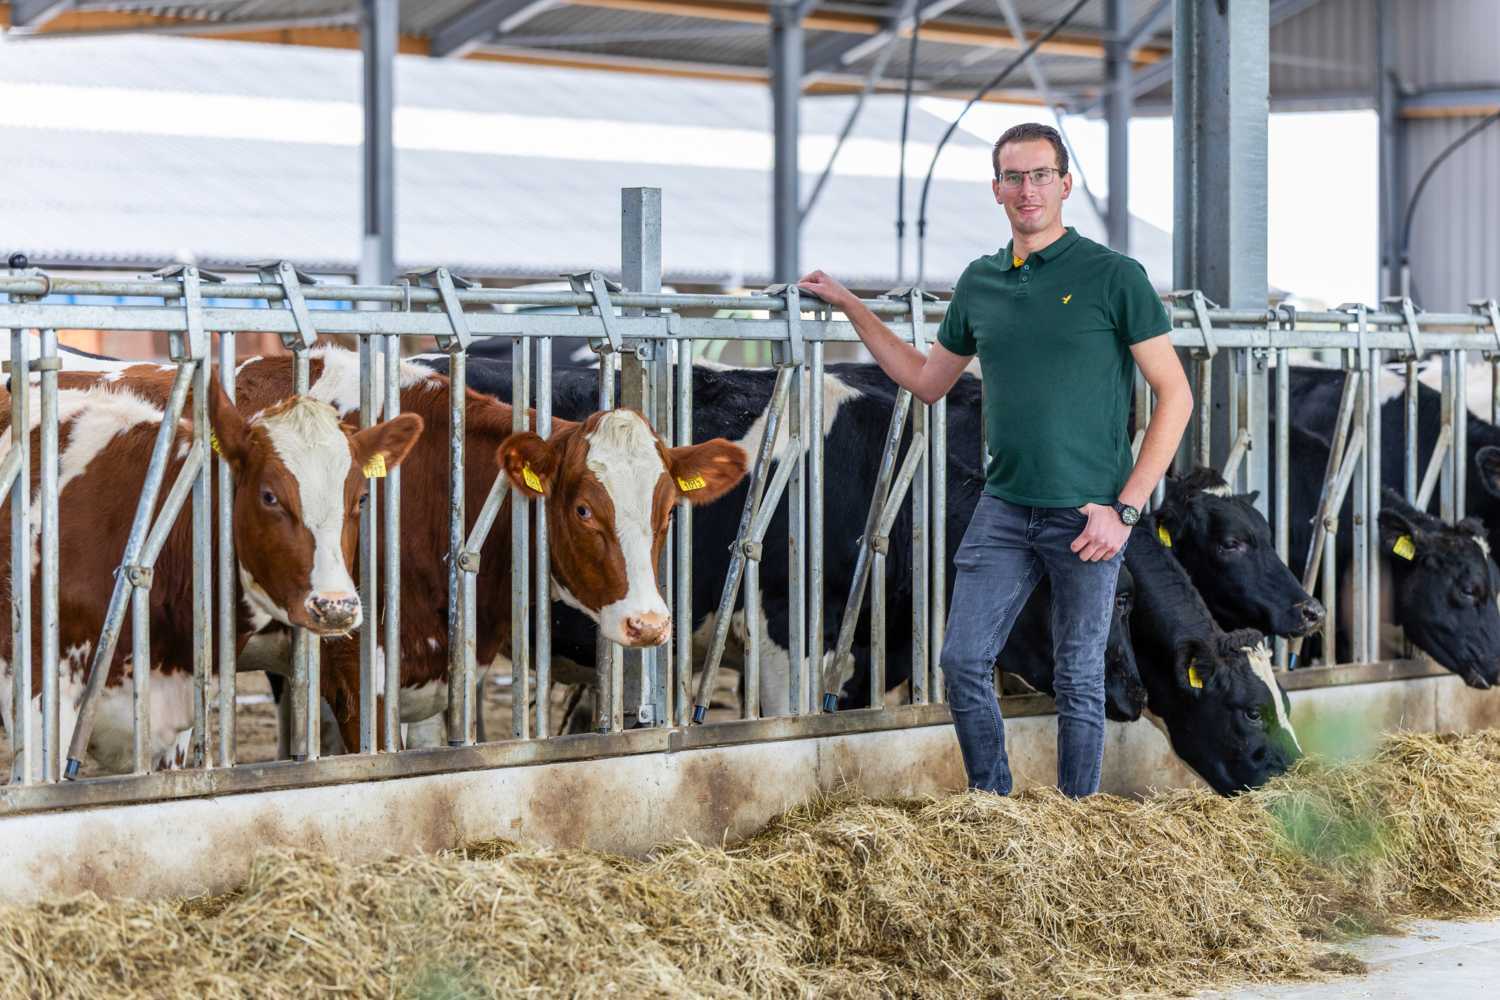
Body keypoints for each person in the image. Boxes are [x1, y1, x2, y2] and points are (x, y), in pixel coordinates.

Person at [799, 122, 1192, 797]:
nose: (1027, 189)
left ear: (1065, 185)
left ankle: (1076, 818)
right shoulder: (980, 282)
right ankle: (994, 804)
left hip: (1089, 515)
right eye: (1013, 177)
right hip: (1005, 506)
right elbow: (927, 381)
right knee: (963, 659)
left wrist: (1125, 509)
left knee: (1077, 673)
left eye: (1041, 175)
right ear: (996, 190)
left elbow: (1175, 395)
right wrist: (852, 307)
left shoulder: (1114, 277)